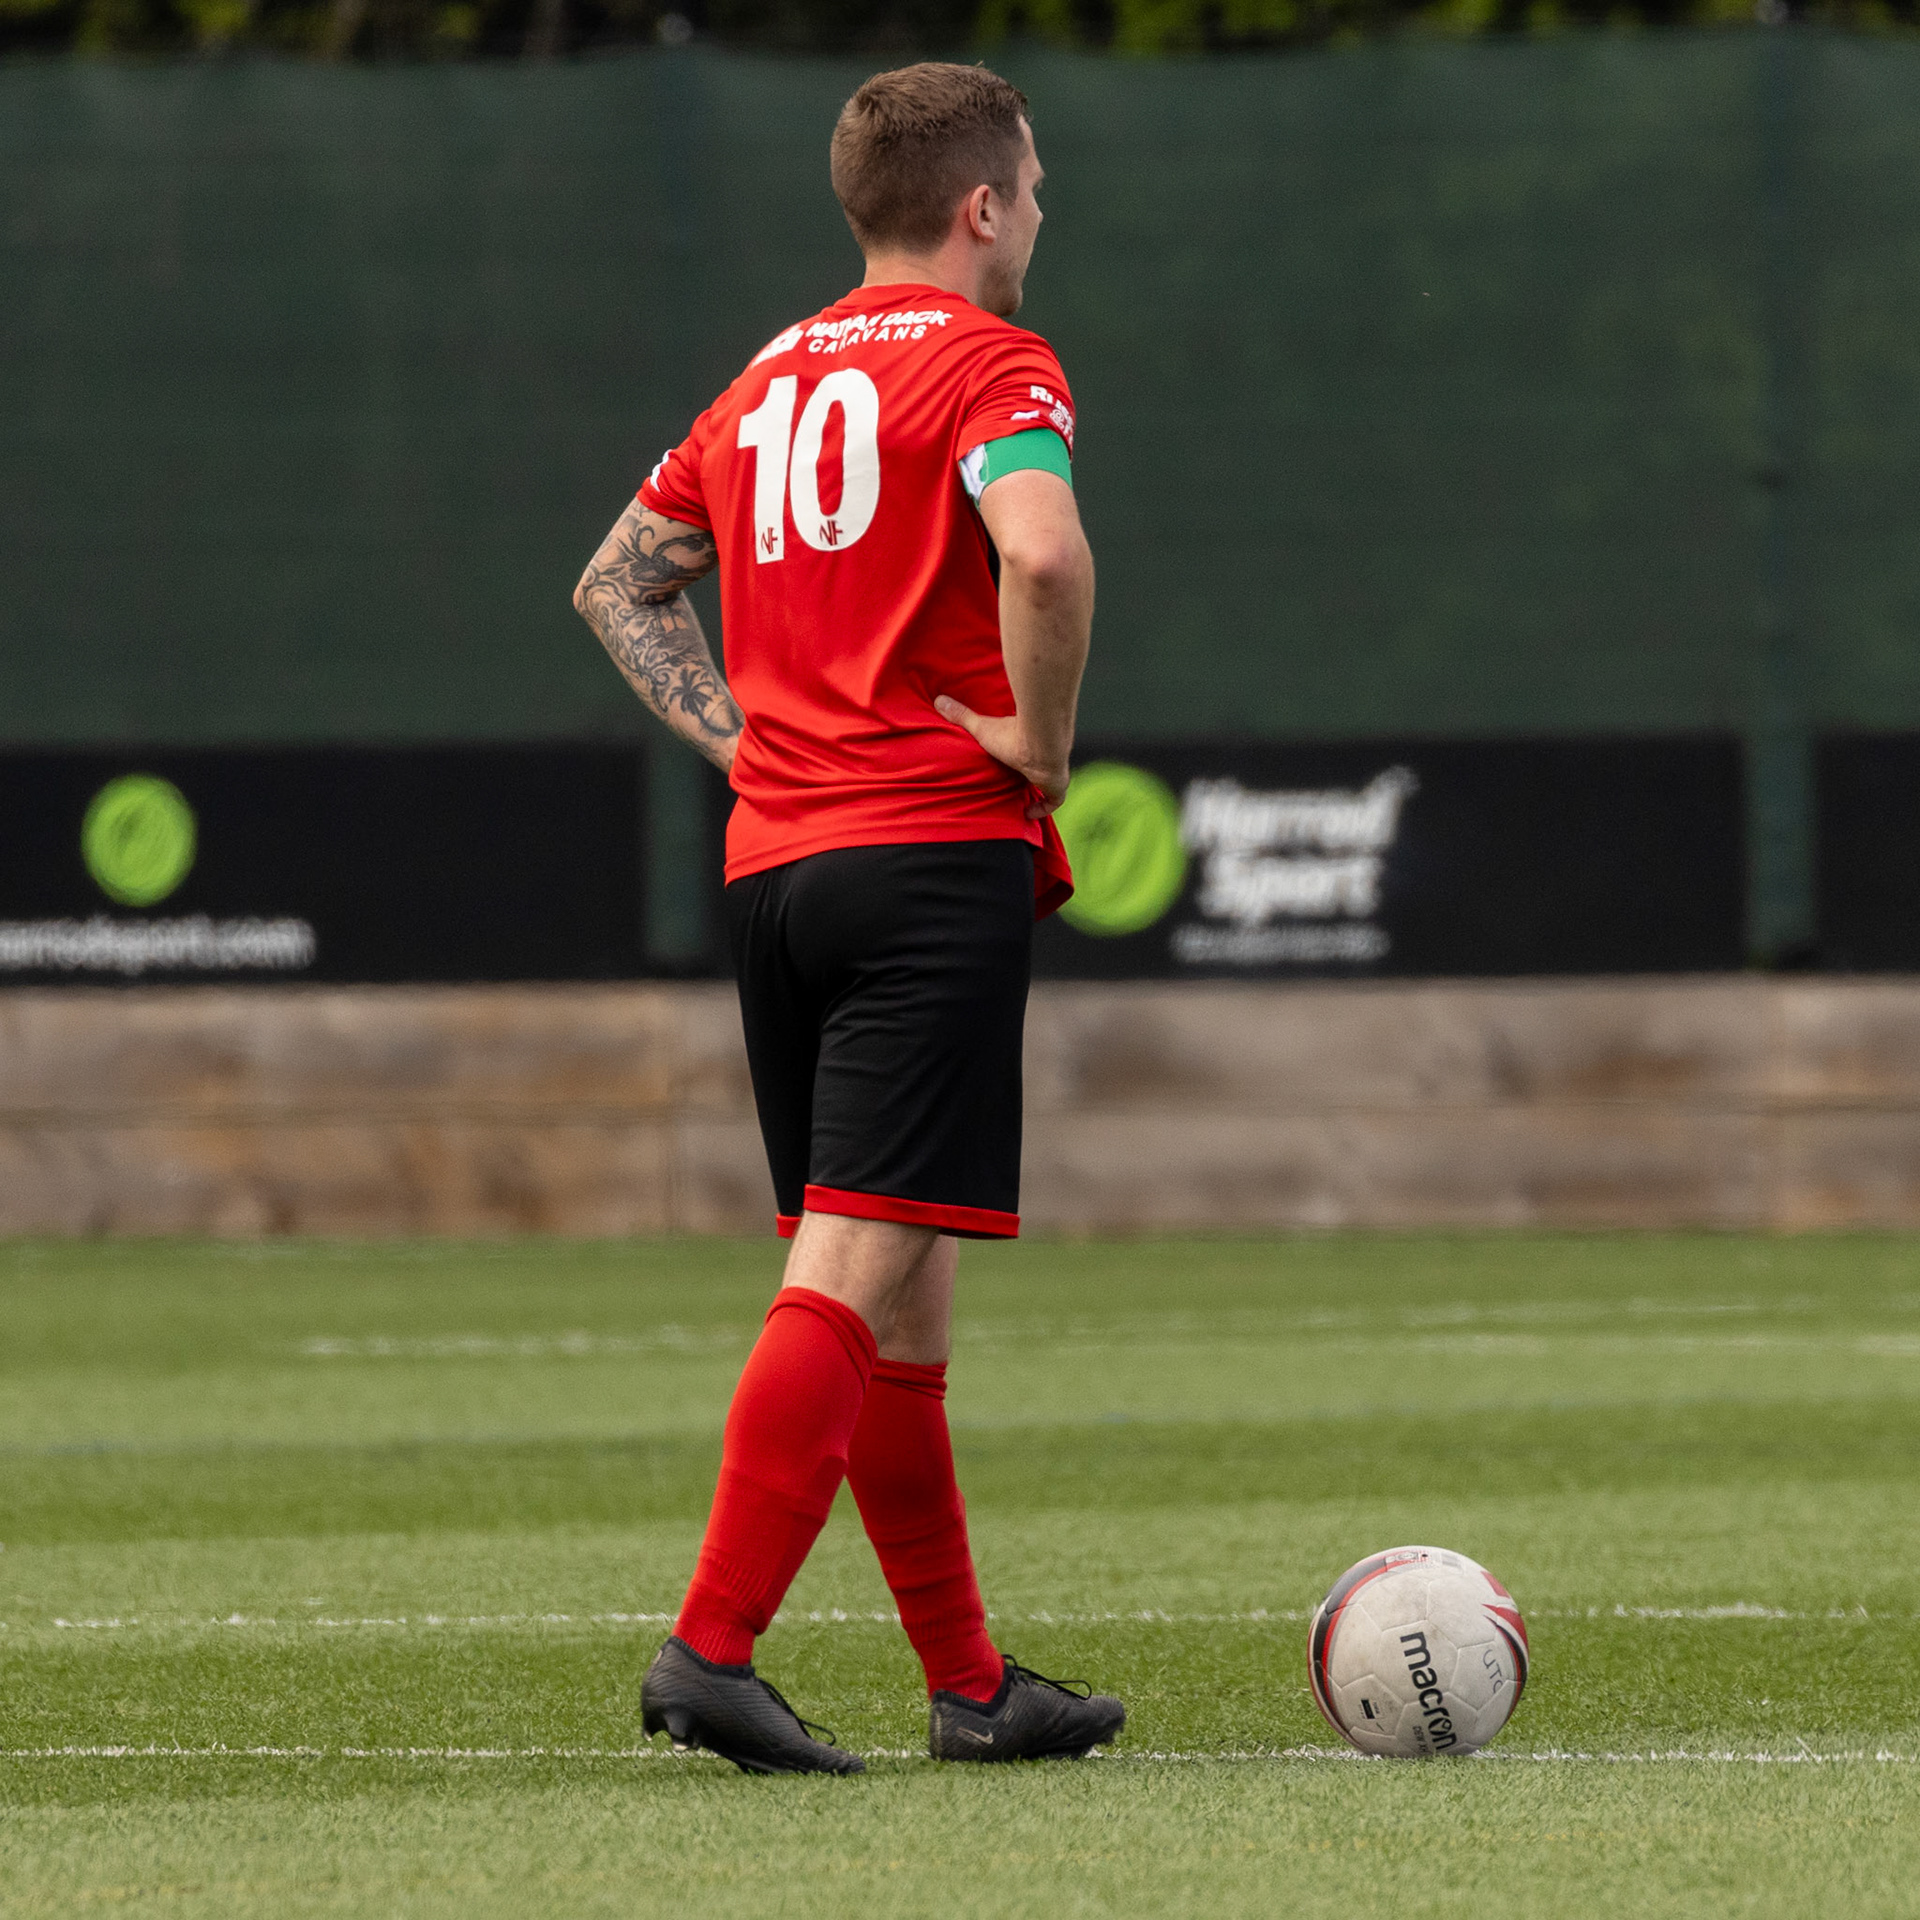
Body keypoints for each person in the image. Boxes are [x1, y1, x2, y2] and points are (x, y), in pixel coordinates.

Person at [573, 60, 1122, 1776]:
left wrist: (752, 744)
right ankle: (710, 1647)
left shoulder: (765, 378)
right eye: (1034, 187)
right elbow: (1045, 556)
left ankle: (972, 1686)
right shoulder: (994, 362)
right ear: (981, 205)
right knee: (847, 1268)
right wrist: (1041, 743)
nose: (1041, 213)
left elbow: (618, 581)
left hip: (780, 874)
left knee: (899, 1292)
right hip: (925, 864)